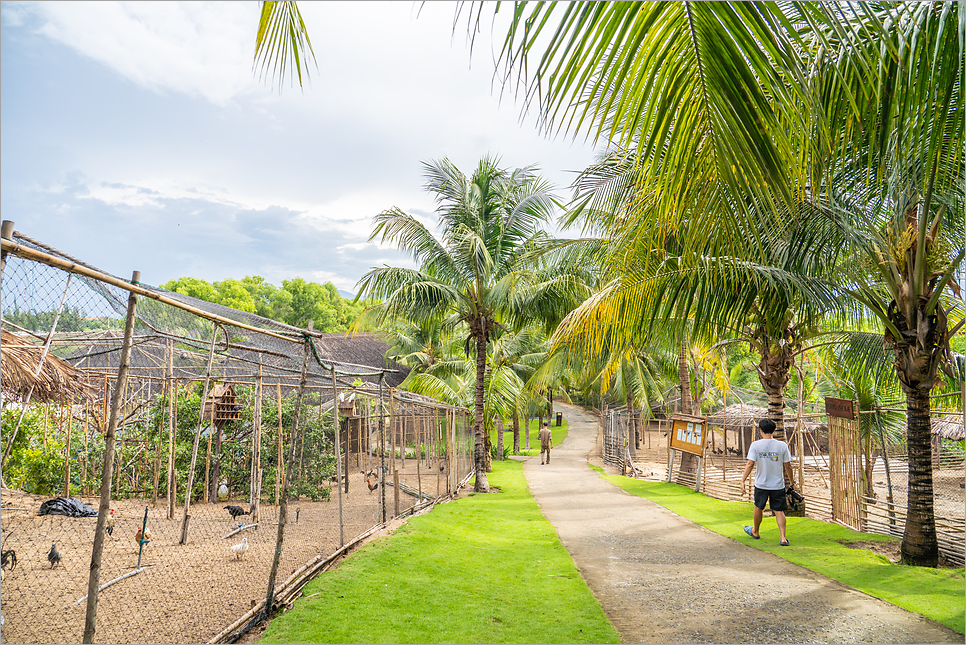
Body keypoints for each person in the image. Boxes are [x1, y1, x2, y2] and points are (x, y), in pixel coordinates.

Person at [740, 418, 794, 546]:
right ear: (774, 430)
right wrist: (792, 482)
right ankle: (783, 538)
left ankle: (756, 531)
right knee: (779, 510)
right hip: (777, 485)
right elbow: (788, 466)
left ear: (760, 430)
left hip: (761, 484)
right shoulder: (782, 446)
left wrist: (743, 480)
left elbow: (750, 464)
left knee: (759, 507)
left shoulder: (756, 445)